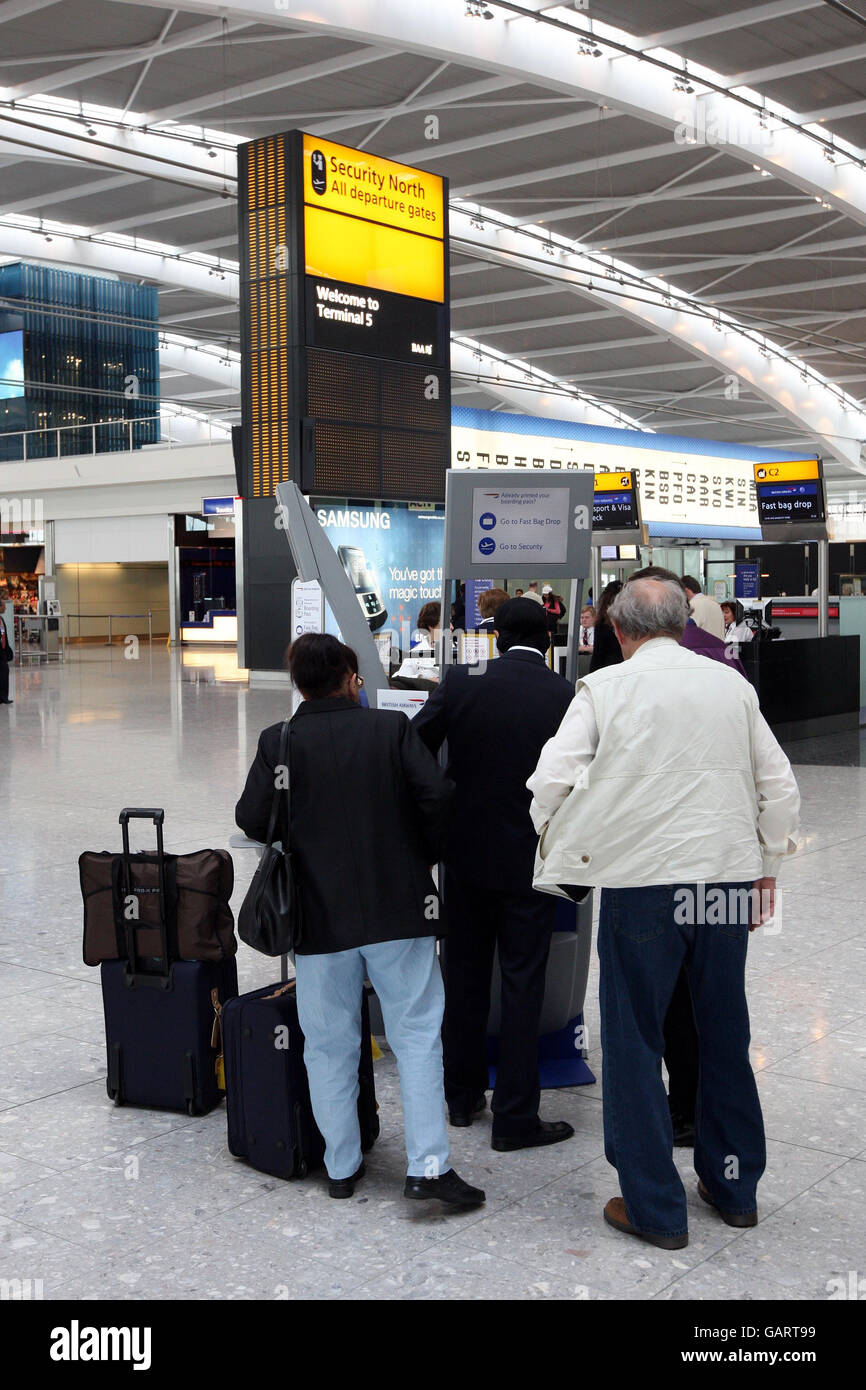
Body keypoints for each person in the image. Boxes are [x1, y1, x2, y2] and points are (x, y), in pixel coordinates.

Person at [528, 578, 800, 1249]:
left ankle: (654, 1206)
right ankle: (734, 1187)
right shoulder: (731, 686)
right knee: (721, 1034)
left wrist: (565, 842)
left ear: (618, 630)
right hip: (726, 881)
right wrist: (767, 869)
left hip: (642, 884)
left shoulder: (607, 690)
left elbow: (549, 781)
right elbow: (779, 786)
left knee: (634, 1039)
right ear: (682, 623)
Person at [236, 633, 484, 1210]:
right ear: (352, 678)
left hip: (319, 918)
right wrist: (420, 853)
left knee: (328, 1043)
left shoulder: (281, 741)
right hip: (400, 908)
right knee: (417, 1035)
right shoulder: (389, 730)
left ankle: (341, 1166)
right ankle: (428, 1168)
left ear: (298, 683)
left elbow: (253, 818)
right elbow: (438, 798)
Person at [413, 598, 576, 1152]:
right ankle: (515, 1118)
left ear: (496, 638)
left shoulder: (460, 681)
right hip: (532, 861)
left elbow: (413, 748)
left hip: (464, 856)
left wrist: (441, 812)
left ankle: (460, 1098)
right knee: (524, 983)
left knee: (463, 977)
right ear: (549, 640)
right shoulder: (564, 695)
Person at [588, 580, 623, 672]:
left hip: (608, 667)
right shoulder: (628, 621)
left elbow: (598, 653)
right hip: (624, 665)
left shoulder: (602, 622)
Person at [682, 575, 725, 639]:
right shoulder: (716, 605)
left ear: (686, 591)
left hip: (701, 648)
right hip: (720, 647)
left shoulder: (692, 606)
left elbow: (688, 633)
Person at [0, 600, 12, 705]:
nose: (5, 608)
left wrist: (7, 648)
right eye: (4, 606)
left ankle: (4, 697)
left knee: (4, 673)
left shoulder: (1, 619)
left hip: (2, 652)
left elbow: (4, 635)